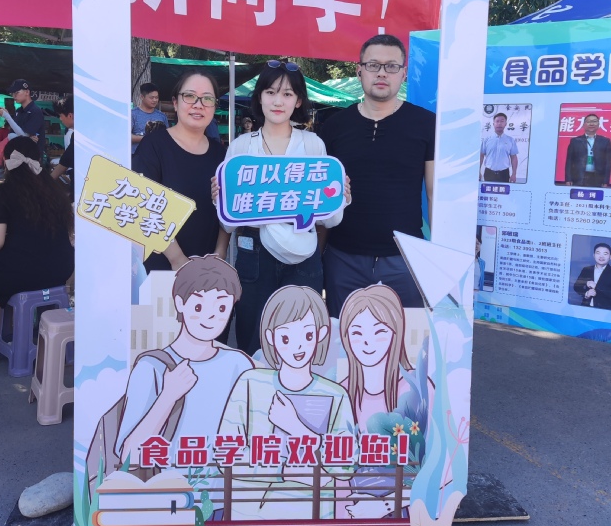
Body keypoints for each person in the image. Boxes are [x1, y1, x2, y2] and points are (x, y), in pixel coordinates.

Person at [217, 60, 346, 356]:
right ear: (260, 96)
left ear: (298, 101)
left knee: (301, 338)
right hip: (253, 252)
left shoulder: (313, 145)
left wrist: (341, 197)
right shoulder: (241, 147)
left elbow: (329, 218)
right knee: (253, 336)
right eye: (271, 92)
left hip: (303, 251)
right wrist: (220, 198)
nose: (278, 101)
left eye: (288, 94)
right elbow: (228, 222)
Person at [320, 34, 434, 317]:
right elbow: (320, 198)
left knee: (404, 340)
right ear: (359, 70)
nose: (382, 73)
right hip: (342, 258)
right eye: (373, 65)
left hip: (404, 259)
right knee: (343, 339)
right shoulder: (333, 126)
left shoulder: (426, 124)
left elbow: (435, 194)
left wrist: (440, 256)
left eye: (391, 66)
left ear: (403, 73)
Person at [218, 285, 355, 520]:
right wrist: (283, 469)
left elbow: (345, 467)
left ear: (321, 334)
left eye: (308, 335)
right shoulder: (250, 383)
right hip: (249, 519)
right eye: (286, 337)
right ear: (270, 337)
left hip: (313, 521)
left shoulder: (335, 394)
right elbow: (225, 456)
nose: (298, 346)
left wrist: (297, 428)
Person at [115, 256, 252, 479]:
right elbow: (129, 456)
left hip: (227, 492)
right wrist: (168, 396)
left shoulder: (239, 365)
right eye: (199, 305)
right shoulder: (151, 367)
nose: (210, 316)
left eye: (221, 307)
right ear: (180, 303)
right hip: (169, 492)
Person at [338, 285, 430, 519]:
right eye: (357, 333)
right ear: (346, 337)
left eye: (379, 331)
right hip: (352, 511)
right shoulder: (341, 392)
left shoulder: (416, 388)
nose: (367, 342)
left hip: (405, 513)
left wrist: (386, 505)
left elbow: (442, 466)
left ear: (396, 332)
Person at [0, 137, 74, 348]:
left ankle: (4, 334)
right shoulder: (56, 192)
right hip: (61, 270)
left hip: (23, 274)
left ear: (6, 161)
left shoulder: (0, 193)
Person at [133, 70, 227, 273]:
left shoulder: (221, 153)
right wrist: (177, 259)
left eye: (207, 98)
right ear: (175, 103)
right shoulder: (154, 146)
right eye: (190, 96)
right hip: (162, 267)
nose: (198, 104)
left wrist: (220, 254)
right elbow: (143, 206)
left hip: (208, 269)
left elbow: (226, 210)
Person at [0, 79, 46, 158]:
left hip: (32, 158)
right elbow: (12, 135)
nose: (14, 96)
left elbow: (23, 136)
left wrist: (7, 116)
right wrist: (26, 137)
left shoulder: (35, 111)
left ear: (27, 92)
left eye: (17, 92)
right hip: (17, 156)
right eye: (13, 93)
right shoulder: (18, 111)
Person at [565, 114, 611, 188]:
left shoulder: (605, 141)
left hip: (598, 178)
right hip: (579, 177)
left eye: (594, 121)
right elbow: (569, 161)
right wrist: (568, 179)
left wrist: (606, 181)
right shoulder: (575, 141)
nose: (591, 124)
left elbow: (608, 163)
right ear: (583, 125)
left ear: (599, 125)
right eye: (588, 121)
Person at [479, 112, 518, 183]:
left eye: (502, 121)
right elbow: (481, 156)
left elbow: (513, 157)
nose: (499, 123)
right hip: (489, 173)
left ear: (505, 124)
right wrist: (478, 171)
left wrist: (514, 174)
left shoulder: (510, 140)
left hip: (504, 173)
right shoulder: (487, 140)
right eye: (497, 121)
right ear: (493, 124)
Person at [131, 83, 168, 154]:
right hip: (137, 155)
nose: (155, 100)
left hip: (157, 155)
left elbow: (167, 136)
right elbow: (126, 136)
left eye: (156, 97)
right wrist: (148, 138)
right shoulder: (133, 114)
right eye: (151, 98)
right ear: (142, 97)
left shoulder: (162, 116)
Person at [574, 242, 611, 309]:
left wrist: (596, 287)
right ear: (594, 255)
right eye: (598, 253)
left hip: (605, 310)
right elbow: (576, 287)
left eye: (605, 254)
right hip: (586, 307)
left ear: (610, 257)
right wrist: (586, 294)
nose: (601, 256)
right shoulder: (586, 270)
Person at [51, 96, 74, 193]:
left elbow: (65, 161)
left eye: (61, 115)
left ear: (70, 116)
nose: (60, 119)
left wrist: (47, 182)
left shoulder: (76, 136)